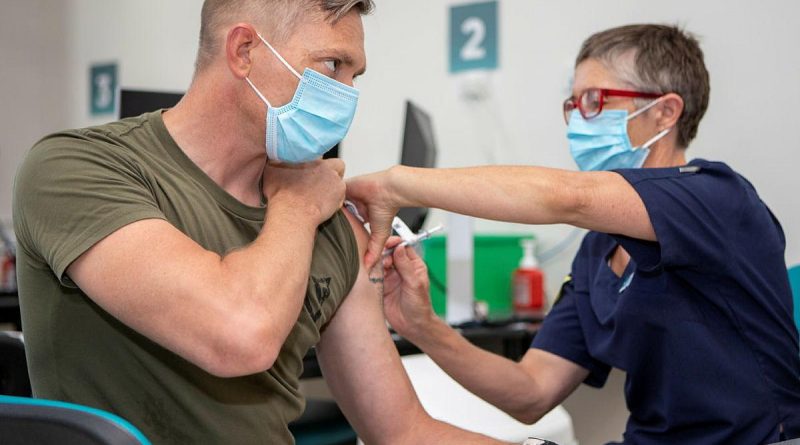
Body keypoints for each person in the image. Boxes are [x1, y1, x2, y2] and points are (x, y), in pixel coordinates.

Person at [12, 1, 510, 443]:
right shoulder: (76, 169)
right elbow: (238, 335)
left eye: (355, 76)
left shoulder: (331, 227)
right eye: (332, 66)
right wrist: (295, 203)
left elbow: (401, 430)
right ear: (244, 50)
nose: (347, 95)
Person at [346, 24, 800, 444]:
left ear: (665, 112)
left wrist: (395, 184)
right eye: (574, 104)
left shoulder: (715, 198)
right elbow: (531, 392)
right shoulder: (598, 251)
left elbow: (568, 198)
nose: (579, 122)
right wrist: (421, 325)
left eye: (594, 102)